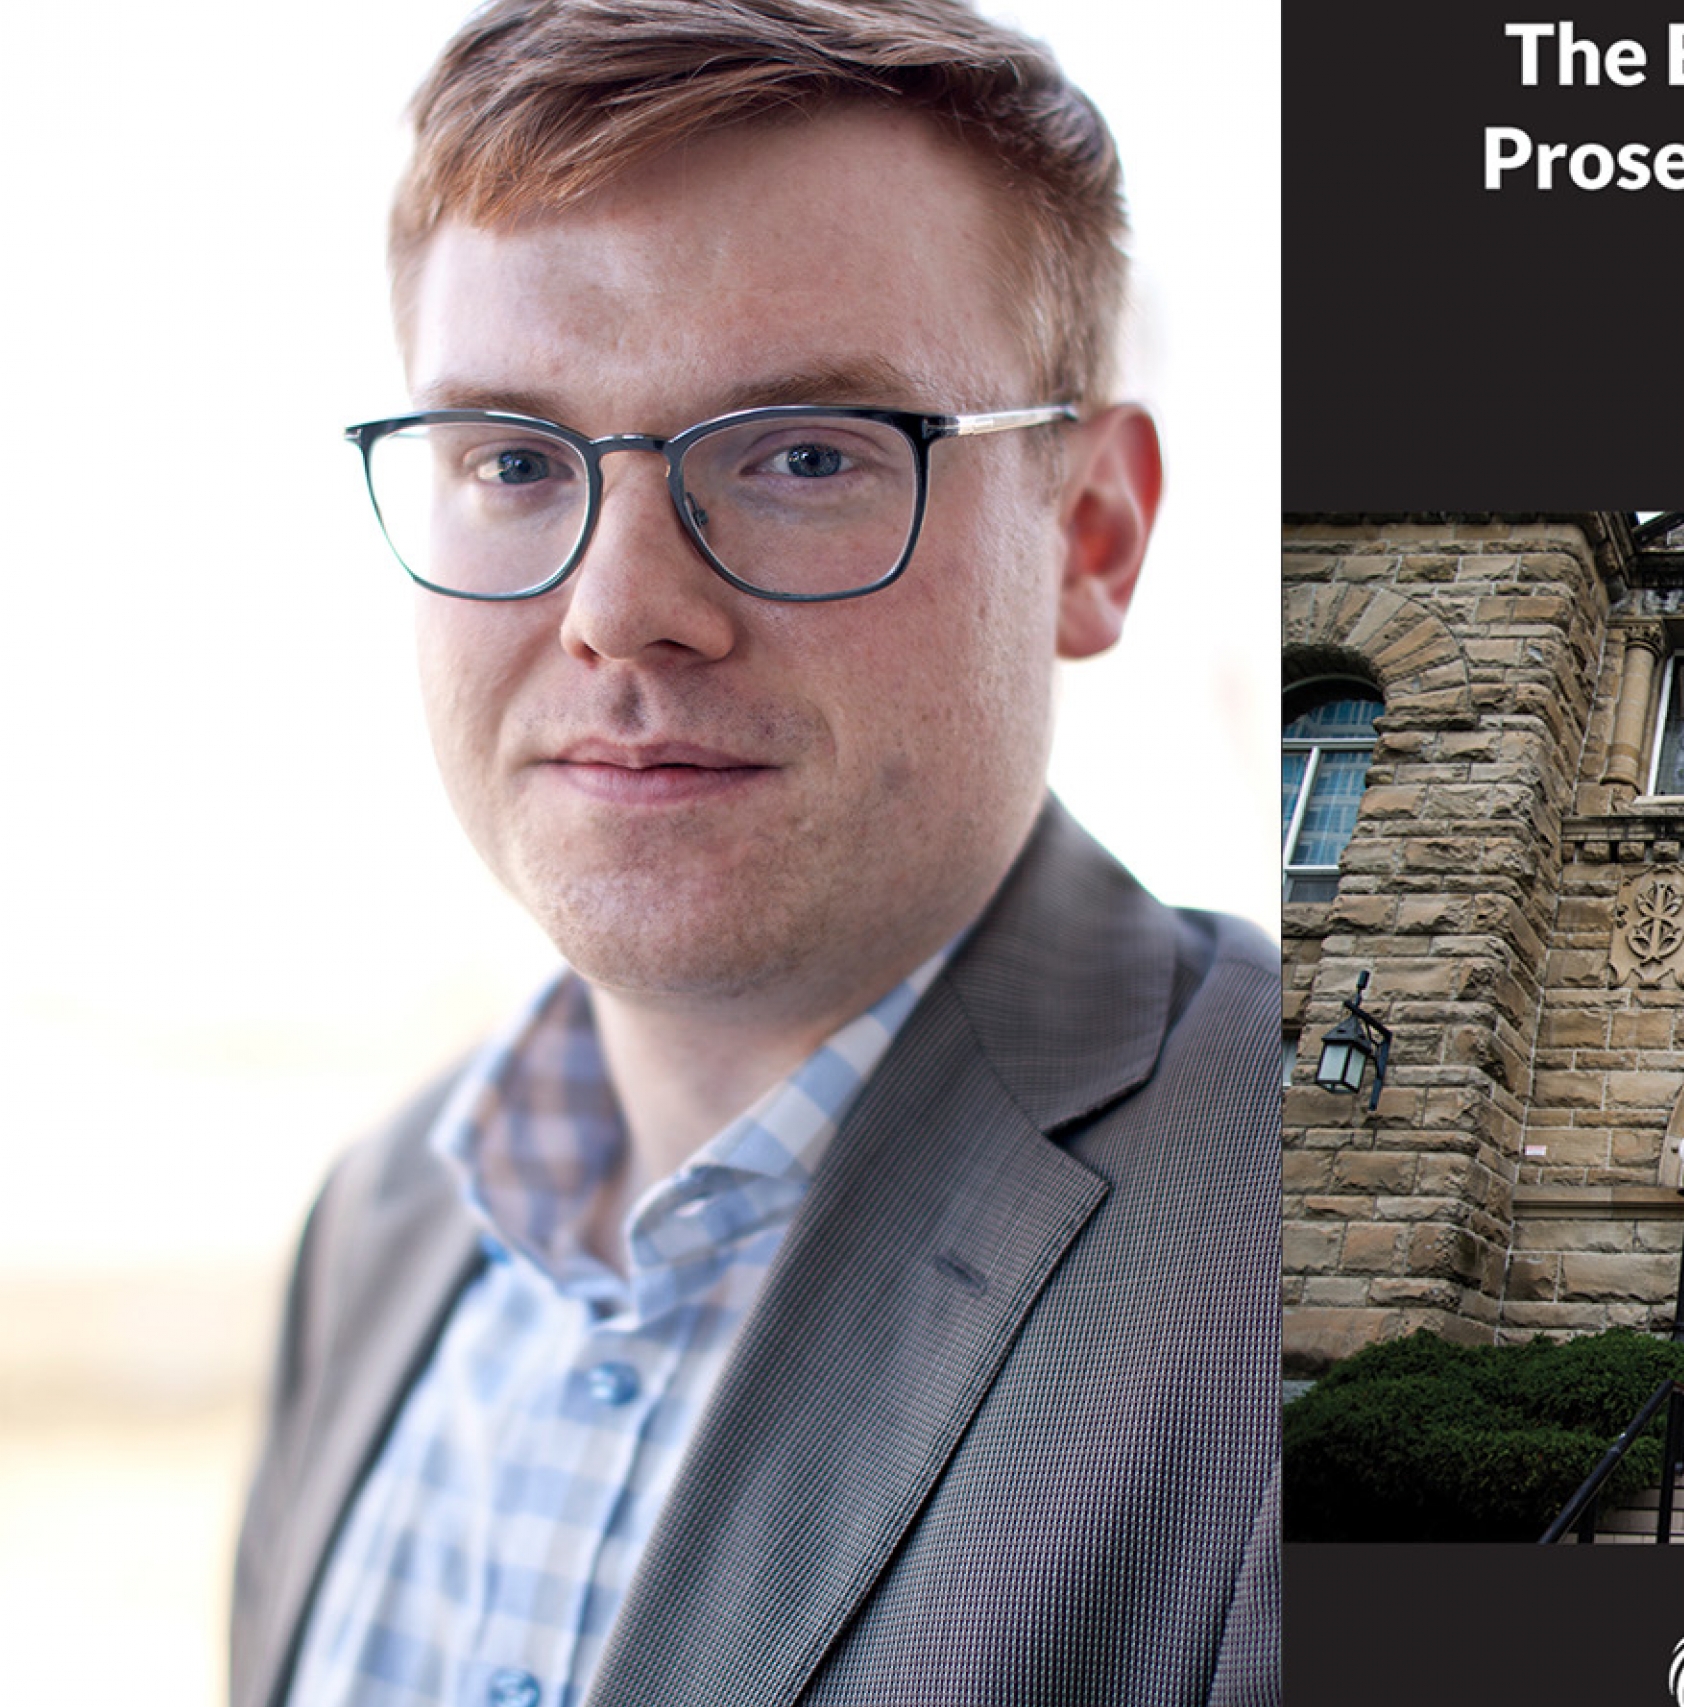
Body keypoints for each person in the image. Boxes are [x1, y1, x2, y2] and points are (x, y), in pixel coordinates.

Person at [228, 3, 1279, 1704]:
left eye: (804, 456)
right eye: (511, 458)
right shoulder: (378, 1225)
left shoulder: (1275, 1262)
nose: (620, 610)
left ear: (1091, 533)